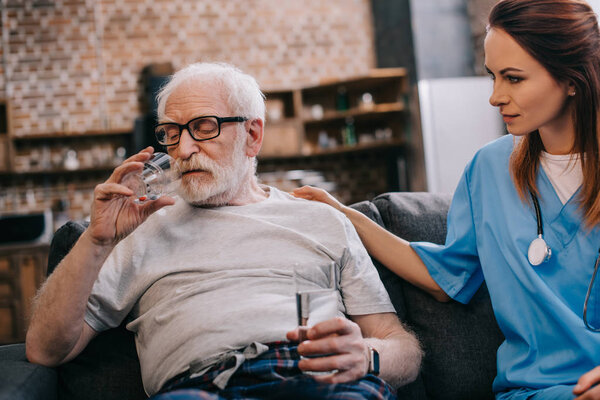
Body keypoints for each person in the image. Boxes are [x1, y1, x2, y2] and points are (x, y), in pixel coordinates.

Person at [24, 62, 422, 399]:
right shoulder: (142, 230)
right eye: (172, 132)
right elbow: (46, 350)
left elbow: (401, 346)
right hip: (200, 386)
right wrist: (95, 239)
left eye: (203, 126)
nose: (182, 150)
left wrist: (368, 356)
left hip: (319, 381)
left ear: (252, 135)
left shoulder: (323, 220)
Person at [293, 0, 600, 399]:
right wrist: (346, 216)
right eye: (492, 77)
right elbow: (446, 277)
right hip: (532, 392)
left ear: (572, 79)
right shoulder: (489, 169)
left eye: (513, 78)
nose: (495, 96)